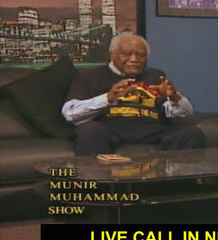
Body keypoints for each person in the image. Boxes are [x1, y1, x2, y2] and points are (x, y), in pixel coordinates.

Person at [62, 33, 206, 156]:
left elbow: (185, 113)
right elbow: (70, 113)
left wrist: (174, 98)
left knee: (191, 133)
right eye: (126, 54)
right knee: (89, 130)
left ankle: (170, 179)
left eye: (140, 55)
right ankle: (97, 181)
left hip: (150, 129)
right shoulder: (90, 76)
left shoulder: (155, 76)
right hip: (110, 128)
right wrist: (108, 98)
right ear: (112, 55)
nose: (134, 59)